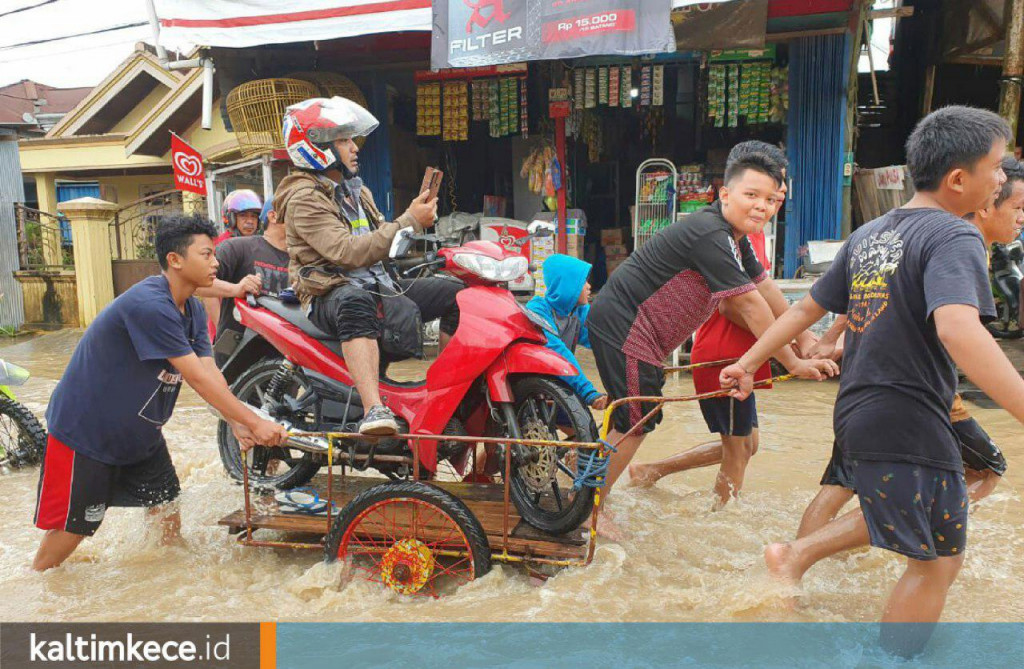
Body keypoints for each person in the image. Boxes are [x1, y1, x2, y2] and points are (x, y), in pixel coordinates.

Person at [720, 106, 1024, 639]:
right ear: (958, 180)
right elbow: (958, 329)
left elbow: (803, 312)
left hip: (861, 408)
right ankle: (882, 650)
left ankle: (800, 563)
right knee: (935, 565)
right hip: (909, 413)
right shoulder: (955, 237)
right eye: (998, 167)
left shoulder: (870, 234)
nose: (1003, 179)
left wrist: (747, 362)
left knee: (937, 556)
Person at [762, 155, 1024, 585]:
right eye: (1015, 206)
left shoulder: (885, 233)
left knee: (844, 482)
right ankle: (811, 554)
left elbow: (864, 293)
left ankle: (815, 564)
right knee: (955, 480)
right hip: (912, 396)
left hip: (865, 394)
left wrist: (825, 341)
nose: (1020, 219)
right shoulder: (956, 238)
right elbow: (958, 332)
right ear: (982, 198)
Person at [585, 146, 837, 534]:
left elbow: (766, 289)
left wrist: (806, 340)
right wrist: (793, 362)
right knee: (636, 419)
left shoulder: (735, 239)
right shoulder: (709, 233)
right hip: (627, 326)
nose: (762, 207)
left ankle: (600, 489)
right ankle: (591, 509)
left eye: (771, 200)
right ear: (724, 195)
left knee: (641, 416)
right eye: (751, 196)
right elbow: (752, 307)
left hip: (645, 332)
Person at [33, 214, 288, 571]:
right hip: (87, 433)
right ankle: (40, 599)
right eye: (207, 254)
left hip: (141, 432)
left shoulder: (193, 309)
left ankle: (166, 580)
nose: (216, 262)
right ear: (175, 260)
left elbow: (210, 370)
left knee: (166, 508)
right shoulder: (150, 306)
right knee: (73, 530)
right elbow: (196, 378)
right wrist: (255, 422)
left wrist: (237, 420)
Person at [627, 142, 813, 509]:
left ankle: (652, 470)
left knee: (748, 444)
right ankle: (721, 517)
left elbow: (766, 290)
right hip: (727, 354)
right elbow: (733, 305)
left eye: (777, 193)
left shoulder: (749, 232)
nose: (772, 200)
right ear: (731, 190)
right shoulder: (726, 234)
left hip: (748, 353)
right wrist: (789, 352)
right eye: (761, 192)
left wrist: (802, 337)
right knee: (738, 448)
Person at [277, 96, 460, 436]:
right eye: (344, 140)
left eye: (351, 138)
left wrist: (417, 229)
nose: (354, 147)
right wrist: (409, 221)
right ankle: (374, 409)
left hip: (375, 282)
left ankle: (446, 390)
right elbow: (346, 252)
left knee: (455, 293)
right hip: (329, 291)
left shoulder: (358, 192)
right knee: (355, 302)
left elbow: (382, 244)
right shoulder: (304, 198)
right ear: (316, 147)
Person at [202, 196, 290, 364]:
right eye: (297, 211)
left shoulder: (303, 260)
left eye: (253, 217)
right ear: (273, 217)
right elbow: (197, 283)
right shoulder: (235, 247)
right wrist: (236, 289)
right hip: (237, 355)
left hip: (284, 363)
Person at [525, 254, 607, 410]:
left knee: (586, 430)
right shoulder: (538, 310)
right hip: (534, 387)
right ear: (568, 285)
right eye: (584, 282)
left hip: (560, 382)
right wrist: (587, 391)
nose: (589, 286)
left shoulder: (578, 311)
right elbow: (558, 352)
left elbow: (600, 339)